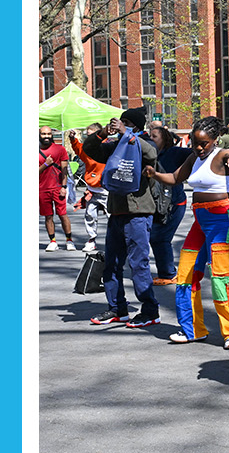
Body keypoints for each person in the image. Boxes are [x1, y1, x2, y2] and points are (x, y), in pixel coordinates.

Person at [147, 117, 229, 348]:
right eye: (195, 143)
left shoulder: (223, 154)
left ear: (214, 140)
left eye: (203, 143)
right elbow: (176, 178)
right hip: (200, 222)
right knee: (186, 276)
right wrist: (154, 174)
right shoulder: (193, 158)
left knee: (220, 278)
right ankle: (193, 329)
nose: (198, 148)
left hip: (223, 221)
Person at [81, 108, 165, 328]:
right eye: (120, 121)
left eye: (127, 122)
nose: (120, 125)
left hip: (138, 213)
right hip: (116, 212)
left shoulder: (143, 142)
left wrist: (128, 133)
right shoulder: (114, 146)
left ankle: (150, 310)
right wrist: (102, 134)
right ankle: (118, 308)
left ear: (136, 126)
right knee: (112, 264)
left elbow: (152, 154)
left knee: (138, 264)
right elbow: (89, 149)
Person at [147, 121, 195, 314]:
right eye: (149, 136)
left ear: (164, 139)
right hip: (158, 205)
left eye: (154, 137)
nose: (151, 139)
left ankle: (168, 273)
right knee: (157, 238)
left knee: (160, 238)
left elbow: (195, 155)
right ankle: (166, 272)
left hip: (175, 204)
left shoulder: (174, 153)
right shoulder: (149, 155)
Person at [73, 123, 109, 253]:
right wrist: (73, 139)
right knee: (90, 215)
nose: (89, 138)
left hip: (106, 189)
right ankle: (91, 239)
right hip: (92, 189)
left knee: (113, 217)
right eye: (87, 136)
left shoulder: (107, 147)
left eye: (91, 135)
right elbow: (78, 149)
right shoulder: (87, 149)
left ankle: (116, 240)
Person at [40, 127, 74, 251]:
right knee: (48, 216)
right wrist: (45, 165)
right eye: (43, 134)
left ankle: (69, 240)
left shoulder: (60, 149)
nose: (46, 136)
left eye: (49, 133)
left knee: (62, 214)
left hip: (58, 187)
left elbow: (64, 170)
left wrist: (64, 186)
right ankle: (52, 241)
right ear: (39, 135)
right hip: (42, 189)